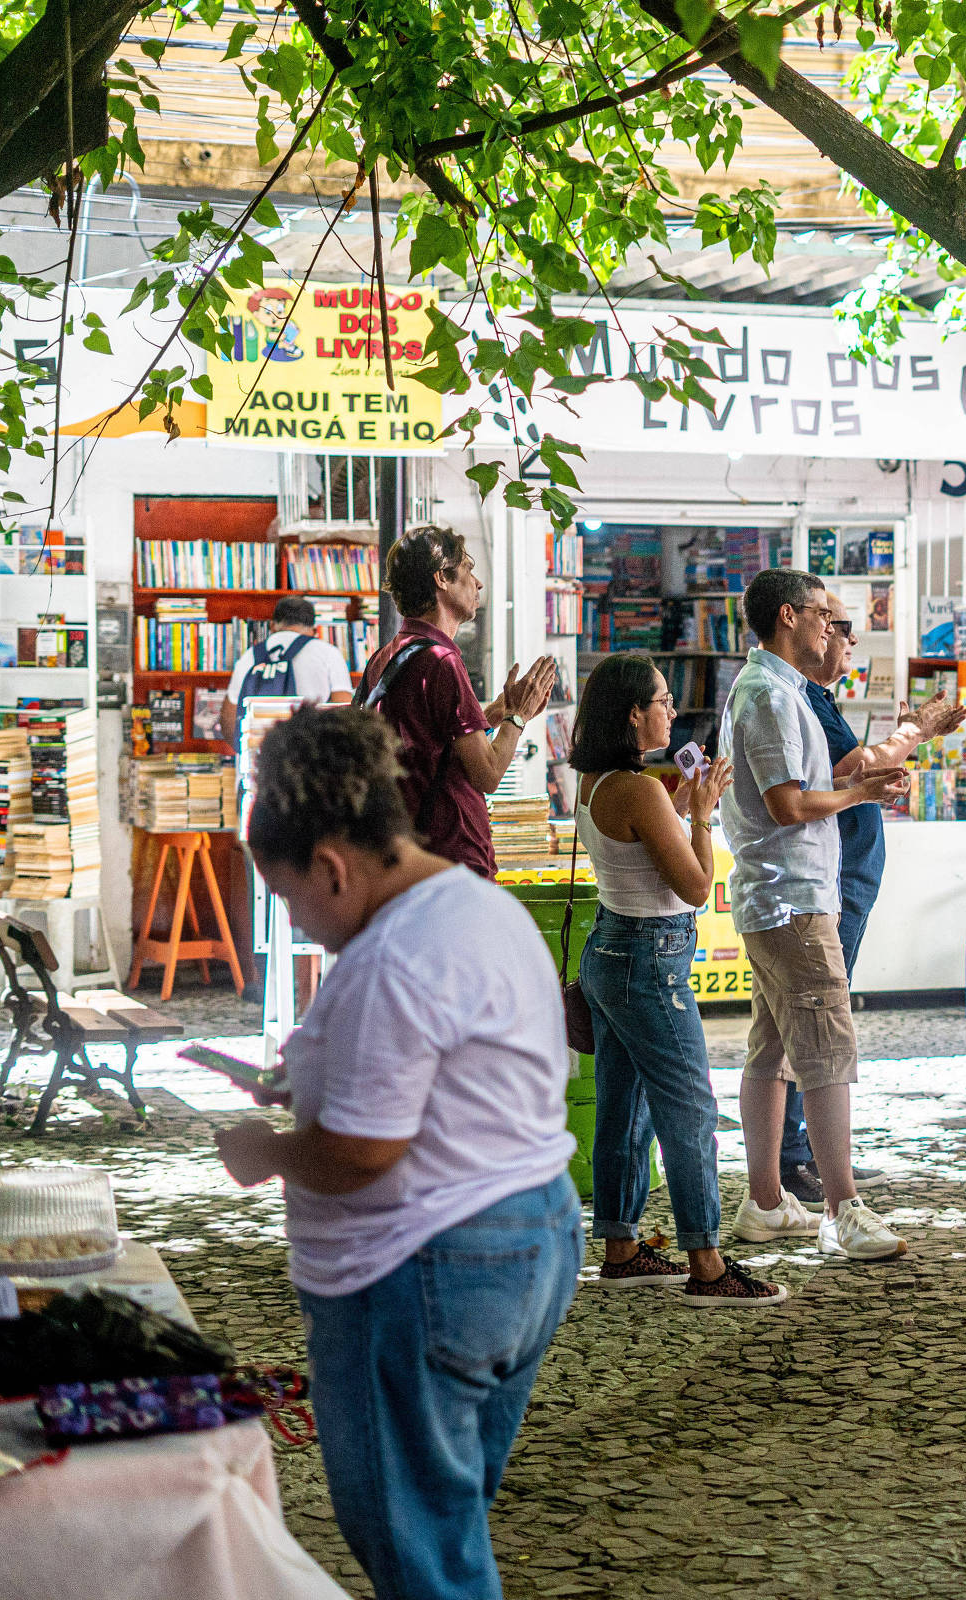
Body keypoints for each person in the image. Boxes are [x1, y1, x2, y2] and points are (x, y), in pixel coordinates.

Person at [215, 707, 581, 1600]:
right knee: (447, 1513)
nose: (298, 922)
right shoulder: (474, 906)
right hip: (530, 1237)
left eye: (290, 897)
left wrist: (269, 1149)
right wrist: (308, 1081)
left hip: (424, 1268)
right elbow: (462, 1084)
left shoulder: (392, 959)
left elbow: (367, 1149)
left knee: (416, 1541)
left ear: (333, 868)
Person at [568, 653, 784, 1306]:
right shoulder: (635, 790)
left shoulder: (596, 781)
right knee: (690, 1111)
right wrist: (699, 812)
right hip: (648, 963)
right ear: (635, 714)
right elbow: (693, 887)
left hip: (609, 951)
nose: (672, 709)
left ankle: (622, 1247)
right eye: (662, 701)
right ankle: (708, 1262)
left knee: (623, 1107)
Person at [718, 568, 912, 1259]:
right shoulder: (767, 693)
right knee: (828, 1050)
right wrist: (860, 793)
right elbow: (787, 804)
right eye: (822, 618)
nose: (832, 630)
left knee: (772, 1051)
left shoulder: (786, 690)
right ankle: (844, 1208)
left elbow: (807, 786)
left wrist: (861, 783)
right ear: (788, 617)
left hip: (792, 892)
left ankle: (767, 1202)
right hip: (788, 896)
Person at [773, 586, 966, 1203]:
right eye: (835, 625)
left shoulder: (815, 700)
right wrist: (914, 729)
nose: (845, 638)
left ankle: (793, 1154)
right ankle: (798, 1159)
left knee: (802, 1022)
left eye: (849, 627)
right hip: (824, 879)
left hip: (839, 871)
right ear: (803, 628)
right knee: (815, 1023)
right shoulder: (795, 696)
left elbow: (854, 771)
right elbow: (855, 772)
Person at [359, 527, 558, 879]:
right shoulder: (441, 660)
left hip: (405, 854)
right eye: (468, 569)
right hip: (451, 858)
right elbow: (488, 773)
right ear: (443, 579)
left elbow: (432, 744)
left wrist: (495, 713)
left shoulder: (387, 655)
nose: (478, 583)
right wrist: (517, 718)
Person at [229, 596, 355, 710]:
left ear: (272, 626)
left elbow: (231, 710)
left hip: (261, 734)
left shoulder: (250, 655)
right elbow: (342, 705)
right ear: (314, 631)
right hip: (309, 733)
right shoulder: (328, 652)